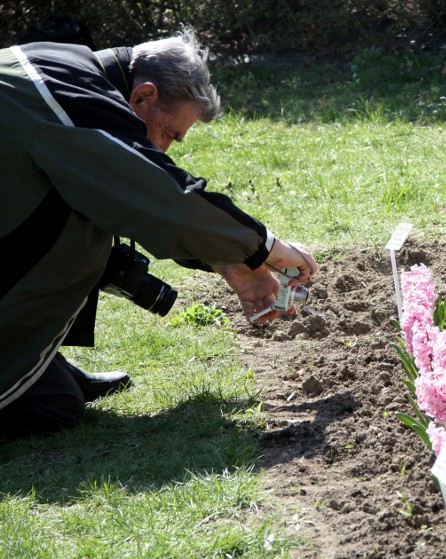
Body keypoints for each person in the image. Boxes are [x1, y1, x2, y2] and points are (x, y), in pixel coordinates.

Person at [0, 27, 318, 438]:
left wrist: (226, 259)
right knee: (55, 405)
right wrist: (266, 248)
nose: (164, 148)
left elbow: (101, 199)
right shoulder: (65, 97)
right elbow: (161, 198)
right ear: (143, 96)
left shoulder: (64, 67)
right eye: (168, 132)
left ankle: (38, 360)